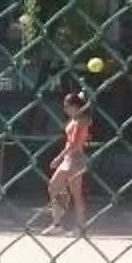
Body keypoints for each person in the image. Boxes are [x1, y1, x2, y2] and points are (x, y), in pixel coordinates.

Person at [44, 90, 92, 235]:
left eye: (67, 106)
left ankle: (80, 227)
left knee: (76, 194)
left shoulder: (81, 121)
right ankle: (57, 224)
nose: (65, 109)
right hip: (68, 159)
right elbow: (69, 142)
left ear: (76, 106)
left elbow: (74, 144)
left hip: (75, 159)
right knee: (54, 187)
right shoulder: (75, 119)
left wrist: (58, 158)